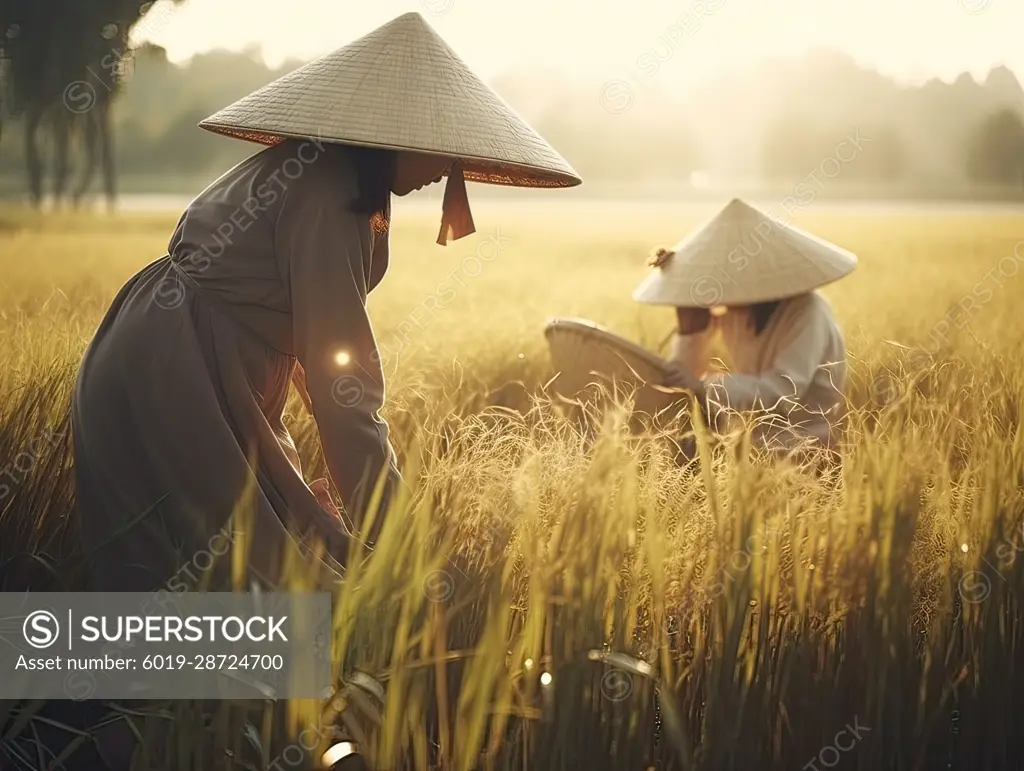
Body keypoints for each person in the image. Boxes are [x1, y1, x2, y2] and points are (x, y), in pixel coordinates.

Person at [71, 12, 581, 593]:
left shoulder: (333, 179)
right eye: (439, 149)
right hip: (172, 370)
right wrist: (397, 539)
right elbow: (343, 383)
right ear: (392, 134)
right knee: (252, 582)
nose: (446, 170)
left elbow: (323, 365)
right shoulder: (328, 194)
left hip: (188, 357)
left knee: (242, 569)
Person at [633, 199, 857, 456]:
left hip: (806, 445)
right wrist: (689, 332)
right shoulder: (737, 312)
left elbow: (783, 390)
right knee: (677, 444)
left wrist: (705, 387)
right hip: (749, 440)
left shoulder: (809, 314)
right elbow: (682, 382)